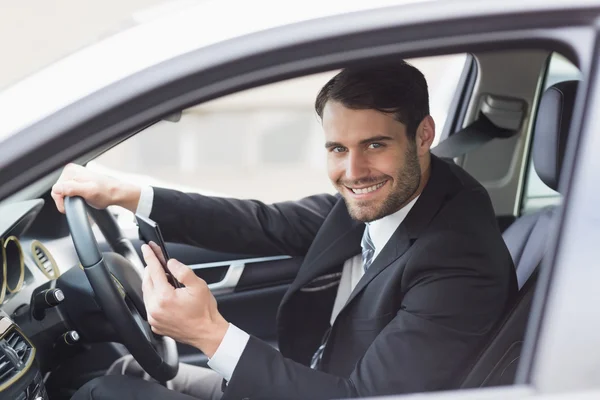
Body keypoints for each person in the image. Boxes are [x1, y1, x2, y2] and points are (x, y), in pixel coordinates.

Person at [58, 61, 518, 400]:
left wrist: (208, 333)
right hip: (306, 378)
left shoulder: (460, 260)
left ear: (423, 135)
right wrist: (126, 192)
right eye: (337, 148)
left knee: (102, 395)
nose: (353, 171)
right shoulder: (391, 191)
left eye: (375, 145)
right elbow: (265, 223)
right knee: (125, 373)